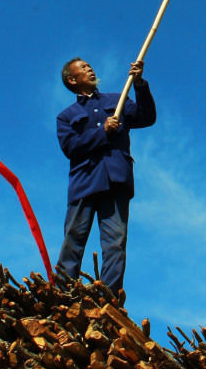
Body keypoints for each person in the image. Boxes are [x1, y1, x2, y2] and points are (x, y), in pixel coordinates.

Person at [55, 58, 155, 298]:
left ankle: (108, 298)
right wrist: (102, 132)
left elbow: (146, 117)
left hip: (116, 181)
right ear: (72, 79)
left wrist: (140, 84)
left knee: (115, 243)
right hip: (85, 182)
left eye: (90, 66)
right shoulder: (67, 116)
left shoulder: (116, 100)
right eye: (84, 68)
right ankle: (61, 294)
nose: (90, 69)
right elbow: (71, 147)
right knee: (73, 239)